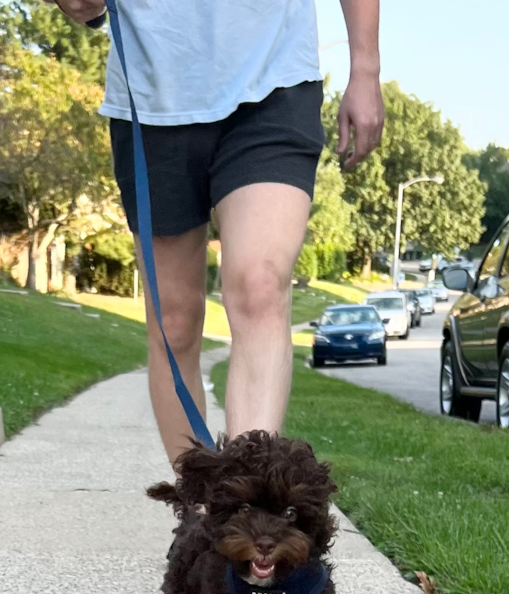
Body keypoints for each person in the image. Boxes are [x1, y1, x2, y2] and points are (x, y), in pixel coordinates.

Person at [46, 0, 383, 465]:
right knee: (174, 323)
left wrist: (365, 68)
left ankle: (243, 509)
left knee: (260, 284)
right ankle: (198, 511)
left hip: (275, 81)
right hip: (152, 92)